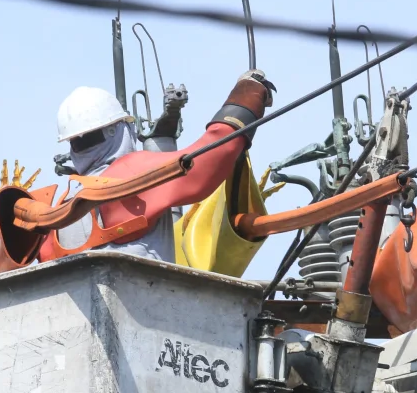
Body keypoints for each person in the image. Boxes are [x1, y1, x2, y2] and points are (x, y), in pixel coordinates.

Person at [18, 69, 276, 263]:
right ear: (115, 130)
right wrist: (248, 96)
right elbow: (207, 160)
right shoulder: (129, 174)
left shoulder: (62, 206)